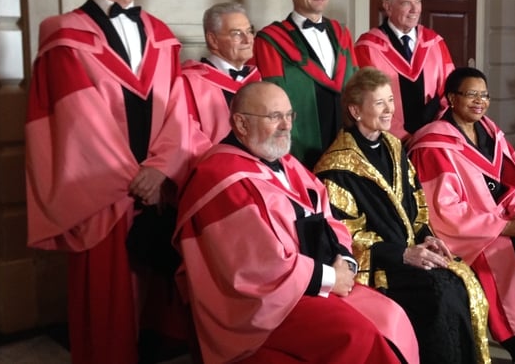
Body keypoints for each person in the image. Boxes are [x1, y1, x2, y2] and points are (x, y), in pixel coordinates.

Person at [25, 0, 192, 364]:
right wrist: (132, 178)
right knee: (107, 307)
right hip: (102, 195)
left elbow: (179, 109)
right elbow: (78, 124)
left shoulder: (160, 33)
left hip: (156, 187)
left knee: (162, 304)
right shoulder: (63, 35)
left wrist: (160, 169)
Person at [174, 81, 419, 364]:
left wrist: (345, 261)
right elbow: (257, 266)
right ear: (241, 123)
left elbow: (330, 218)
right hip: (262, 305)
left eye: (289, 115)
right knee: (356, 334)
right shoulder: (218, 177)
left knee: (391, 316)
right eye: (274, 116)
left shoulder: (287, 163)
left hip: (308, 282)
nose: (286, 125)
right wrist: (329, 278)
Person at [314, 68, 491, 364]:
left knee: (461, 280)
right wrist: (404, 254)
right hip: (379, 268)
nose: (389, 110)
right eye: (379, 103)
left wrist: (426, 237)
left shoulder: (393, 146)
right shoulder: (337, 167)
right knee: (439, 293)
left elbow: (417, 203)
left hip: (411, 253)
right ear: (356, 110)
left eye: (390, 100)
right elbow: (348, 237)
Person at [408, 67, 515, 364]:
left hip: (506, 224)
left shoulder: (491, 132)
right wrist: (504, 227)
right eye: (471, 94)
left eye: (484, 95)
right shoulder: (433, 144)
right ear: (451, 98)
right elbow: (445, 211)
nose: (480, 101)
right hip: (468, 236)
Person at [252, 0, 359, 168]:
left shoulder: (342, 34)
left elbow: (357, 87)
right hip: (299, 153)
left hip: (347, 148)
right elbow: (270, 99)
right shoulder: (271, 41)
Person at [355, 0, 454, 141]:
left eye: (418, 1)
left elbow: (449, 92)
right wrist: (403, 138)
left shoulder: (434, 43)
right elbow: (368, 100)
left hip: (431, 140)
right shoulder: (367, 47)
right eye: (407, 3)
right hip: (386, 140)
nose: (415, 9)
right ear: (388, 6)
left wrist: (432, 132)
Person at [182, 2, 261, 149]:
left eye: (249, 31)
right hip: (217, 166)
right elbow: (187, 141)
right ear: (213, 40)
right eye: (237, 33)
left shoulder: (256, 79)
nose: (247, 39)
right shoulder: (190, 82)